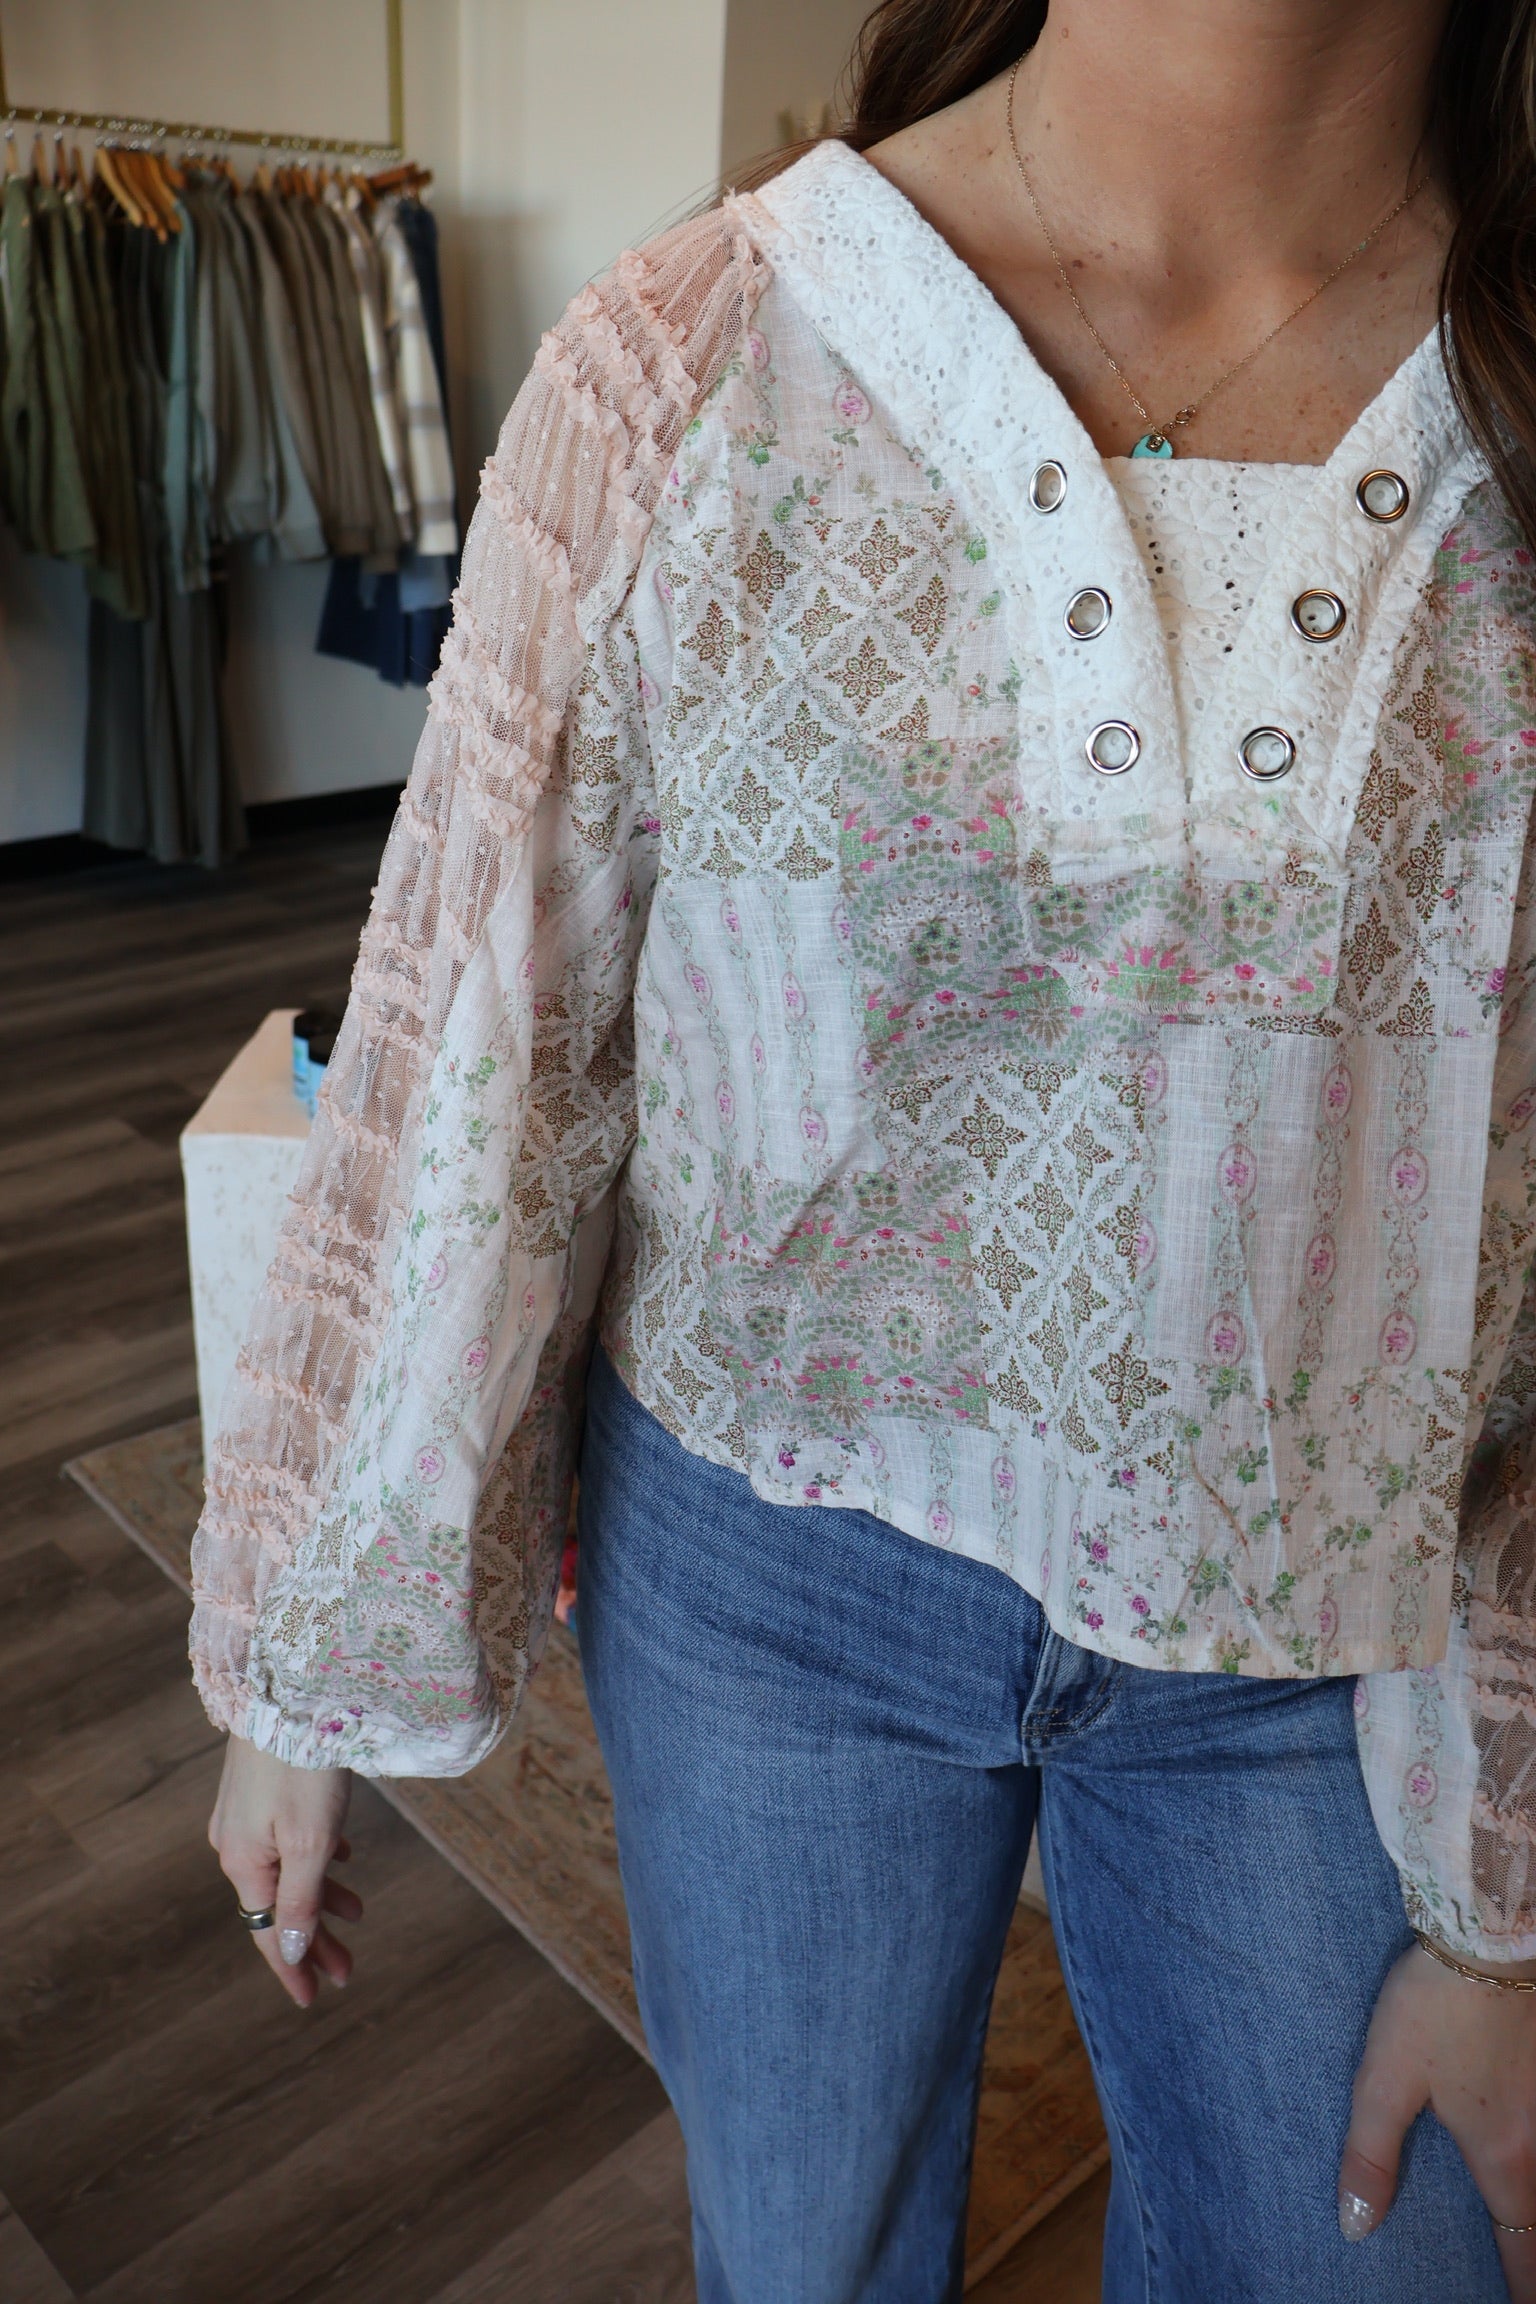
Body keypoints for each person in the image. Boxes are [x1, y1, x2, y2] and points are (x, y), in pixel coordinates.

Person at [195, 2, 1536, 2296]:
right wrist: (313, 1645)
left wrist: (1510, 1892)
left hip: (1359, 1638)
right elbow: (482, 1029)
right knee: (800, 2253)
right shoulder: (701, 354)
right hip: (767, 1579)